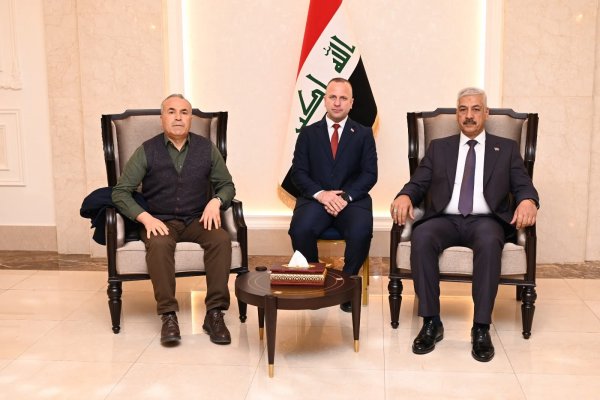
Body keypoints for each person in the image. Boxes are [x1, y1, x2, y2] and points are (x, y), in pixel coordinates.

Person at [390, 87, 539, 362]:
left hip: (486, 220)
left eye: (475, 109)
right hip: (445, 219)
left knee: (489, 242)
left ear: (486, 113)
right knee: (422, 237)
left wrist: (528, 201)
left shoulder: (505, 149)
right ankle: (431, 322)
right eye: (463, 109)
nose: (469, 115)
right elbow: (418, 182)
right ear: (457, 114)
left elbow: (523, 185)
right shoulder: (439, 148)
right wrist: (405, 195)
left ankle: (481, 327)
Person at [112, 94, 236, 346]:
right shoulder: (147, 150)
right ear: (162, 118)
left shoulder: (206, 149)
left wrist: (216, 201)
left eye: (184, 112)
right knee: (159, 245)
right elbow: (120, 192)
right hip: (159, 221)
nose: (178, 117)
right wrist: (145, 218)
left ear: (190, 119)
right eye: (171, 112)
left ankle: (214, 313)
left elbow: (227, 185)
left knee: (221, 240)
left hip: (197, 220)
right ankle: (168, 315)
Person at [288, 77, 378, 312]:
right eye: (333, 97)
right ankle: (315, 280)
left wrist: (345, 197)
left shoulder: (363, 134)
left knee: (361, 231)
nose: (337, 103)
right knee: (300, 229)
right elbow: (298, 173)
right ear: (325, 100)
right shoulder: (307, 133)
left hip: (352, 201)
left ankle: (346, 286)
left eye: (343, 98)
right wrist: (321, 194)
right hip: (315, 200)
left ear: (351, 103)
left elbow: (370, 174)